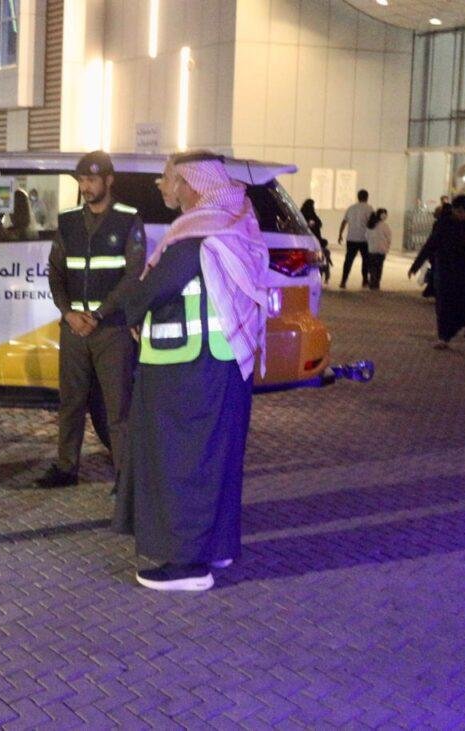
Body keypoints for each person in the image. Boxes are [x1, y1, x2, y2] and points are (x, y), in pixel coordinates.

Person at [113, 151, 267, 592]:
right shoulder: (234, 223)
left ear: (191, 184)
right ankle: (214, 547)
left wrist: (123, 307)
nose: (161, 185)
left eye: (167, 177)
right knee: (217, 461)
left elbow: (148, 294)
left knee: (184, 463)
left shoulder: (197, 236)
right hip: (223, 368)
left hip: (191, 373)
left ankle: (188, 567)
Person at [36, 151, 146, 490]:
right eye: (82, 180)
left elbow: (133, 275)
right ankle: (66, 467)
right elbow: (55, 272)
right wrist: (68, 313)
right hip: (74, 329)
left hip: (111, 329)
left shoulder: (128, 219)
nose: (86, 186)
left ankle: (126, 477)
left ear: (109, 180)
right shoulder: (68, 221)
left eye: (92, 180)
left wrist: (98, 314)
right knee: (70, 402)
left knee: (118, 406)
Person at [408, 195, 465, 349]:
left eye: (464, 211)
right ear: (454, 210)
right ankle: (444, 337)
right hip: (447, 270)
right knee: (446, 304)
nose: (461, 214)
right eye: (459, 210)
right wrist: (416, 266)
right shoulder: (444, 225)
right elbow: (430, 245)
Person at [337, 189, 374, 289]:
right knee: (366, 260)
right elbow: (372, 223)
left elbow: (344, 222)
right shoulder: (369, 209)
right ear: (367, 197)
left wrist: (340, 235)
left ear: (358, 197)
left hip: (351, 238)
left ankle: (343, 281)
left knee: (348, 260)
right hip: (364, 239)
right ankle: (365, 281)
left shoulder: (351, 208)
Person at [300, 199, 330, 284]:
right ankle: (323, 275)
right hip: (313, 240)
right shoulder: (308, 214)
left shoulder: (302, 214)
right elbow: (319, 224)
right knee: (319, 258)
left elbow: (319, 224)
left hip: (308, 240)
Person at [365, 208, 391, 290]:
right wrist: (387, 247)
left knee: (372, 267)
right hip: (382, 250)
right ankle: (376, 283)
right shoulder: (385, 226)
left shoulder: (370, 225)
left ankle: (372, 282)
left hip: (372, 249)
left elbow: (366, 237)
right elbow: (389, 238)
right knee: (379, 267)